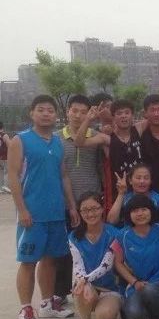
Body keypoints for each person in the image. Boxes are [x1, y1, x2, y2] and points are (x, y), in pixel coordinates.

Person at [7, 95, 78, 319]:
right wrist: (22, 209)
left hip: (56, 212)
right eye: (41, 109)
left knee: (51, 260)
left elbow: (63, 176)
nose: (46, 114)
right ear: (32, 113)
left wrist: (71, 206)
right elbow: (13, 177)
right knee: (28, 261)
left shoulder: (57, 142)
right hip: (32, 214)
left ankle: (47, 304)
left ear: (56, 115)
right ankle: (26, 309)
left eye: (50, 110)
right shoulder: (21, 140)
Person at [55, 95, 105, 301]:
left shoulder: (96, 137)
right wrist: (70, 204)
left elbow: (102, 166)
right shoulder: (56, 138)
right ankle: (60, 292)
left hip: (92, 203)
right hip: (65, 202)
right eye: (74, 111)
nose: (78, 115)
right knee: (64, 248)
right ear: (67, 111)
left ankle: (93, 288)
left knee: (91, 245)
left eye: (83, 112)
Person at [112, 194, 159, 319]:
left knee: (150, 290)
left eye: (144, 209)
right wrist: (134, 282)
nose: (140, 214)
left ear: (151, 211)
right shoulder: (122, 235)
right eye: (135, 210)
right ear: (129, 214)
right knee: (133, 313)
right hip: (137, 285)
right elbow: (118, 263)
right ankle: (148, 317)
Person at [69, 192, 122, 319]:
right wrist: (83, 282)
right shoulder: (74, 236)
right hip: (89, 285)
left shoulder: (114, 233)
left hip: (110, 288)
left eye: (94, 208)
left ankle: (110, 313)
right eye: (85, 210)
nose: (90, 214)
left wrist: (85, 279)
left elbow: (107, 265)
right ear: (80, 212)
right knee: (80, 288)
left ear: (102, 209)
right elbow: (78, 265)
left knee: (105, 316)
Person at [74, 99, 144, 203]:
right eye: (119, 113)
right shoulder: (107, 138)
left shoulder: (139, 129)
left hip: (141, 187)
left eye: (127, 113)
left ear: (132, 115)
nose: (123, 116)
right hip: (119, 192)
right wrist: (88, 119)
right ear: (113, 117)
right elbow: (78, 143)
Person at [0, 121, 10, 193]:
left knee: (1, 172)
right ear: (2, 127)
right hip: (5, 156)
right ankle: (5, 186)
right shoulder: (4, 135)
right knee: (6, 171)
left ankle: (1, 187)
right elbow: (10, 145)